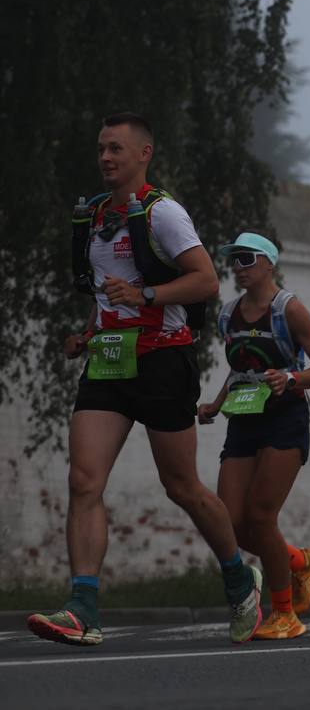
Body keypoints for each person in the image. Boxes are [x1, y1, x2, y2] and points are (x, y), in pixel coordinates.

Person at [29, 113, 261, 646]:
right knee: (84, 480)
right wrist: (87, 332)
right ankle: (83, 607)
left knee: (181, 486)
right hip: (109, 361)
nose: (105, 158)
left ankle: (237, 578)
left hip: (162, 360)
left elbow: (204, 281)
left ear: (143, 154)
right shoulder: (93, 215)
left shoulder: (163, 213)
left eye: (115, 149)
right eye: (100, 149)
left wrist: (149, 297)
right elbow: (111, 291)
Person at [196, 232, 310, 639]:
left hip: (285, 421)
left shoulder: (289, 310)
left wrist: (291, 378)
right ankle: (300, 562)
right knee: (230, 522)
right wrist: (215, 403)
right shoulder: (228, 313)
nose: (238, 268)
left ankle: (285, 613)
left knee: (261, 517)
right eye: (234, 260)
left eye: (247, 259)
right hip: (243, 419)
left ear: (268, 263)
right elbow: (240, 368)